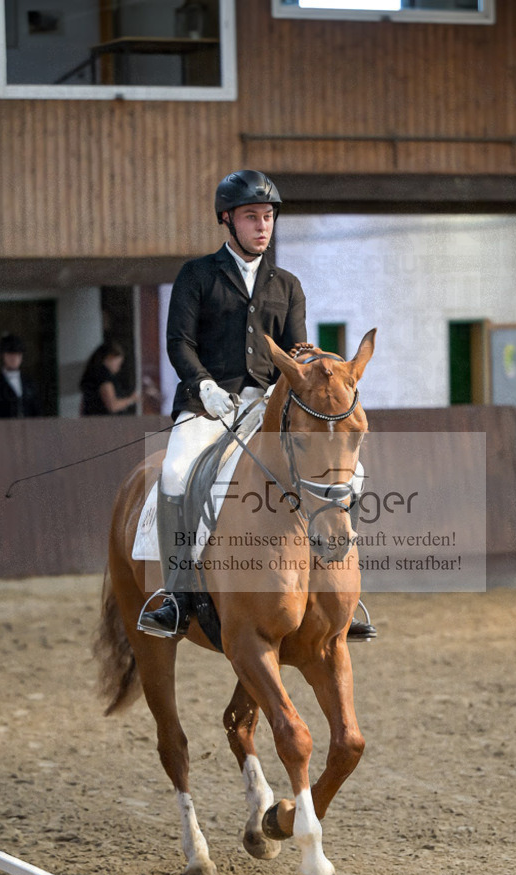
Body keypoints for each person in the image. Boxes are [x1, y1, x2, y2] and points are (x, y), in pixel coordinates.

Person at [138, 168, 376, 642]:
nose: (263, 226)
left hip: (269, 408)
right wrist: (204, 385)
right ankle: (178, 595)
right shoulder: (197, 276)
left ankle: (338, 591)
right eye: (252, 217)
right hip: (209, 406)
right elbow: (179, 342)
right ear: (227, 220)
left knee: (348, 472)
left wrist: (307, 369)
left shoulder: (286, 284)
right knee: (176, 471)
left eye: (268, 217)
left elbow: (298, 348)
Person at [0, 333, 42, 419]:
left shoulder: (29, 383)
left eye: (18, 355)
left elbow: (37, 412)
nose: (14, 359)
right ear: (3, 356)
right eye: (10, 355)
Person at [79, 341, 139, 416]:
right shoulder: (104, 376)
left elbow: (83, 406)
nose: (118, 368)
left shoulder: (92, 374)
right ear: (109, 358)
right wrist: (132, 399)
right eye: (118, 363)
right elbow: (112, 406)